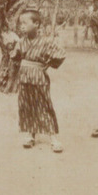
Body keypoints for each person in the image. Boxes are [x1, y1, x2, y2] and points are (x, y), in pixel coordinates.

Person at [11, 8, 66, 152]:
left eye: (25, 22)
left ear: (36, 24)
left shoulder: (45, 42)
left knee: (44, 105)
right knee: (26, 105)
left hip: (39, 78)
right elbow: (14, 57)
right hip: (24, 78)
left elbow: (60, 54)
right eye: (20, 23)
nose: (22, 25)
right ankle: (30, 134)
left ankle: (53, 137)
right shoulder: (21, 42)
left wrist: (47, 63)